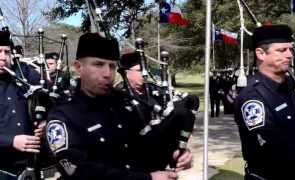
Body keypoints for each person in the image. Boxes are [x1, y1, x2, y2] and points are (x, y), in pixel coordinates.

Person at [45, 33, 189, 180]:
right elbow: (77, 171)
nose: (108, 74)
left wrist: (174, 154)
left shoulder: (126, 103)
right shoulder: (63, 115)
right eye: (98, 64)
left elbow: (145, 145)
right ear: (78, 67)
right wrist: (147, 178)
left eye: (112, 66)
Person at [234, 24, 295, 180]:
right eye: (282, 50)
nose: (289, 55)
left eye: (290, 49)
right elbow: (273, 148)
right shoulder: (252, 98)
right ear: (261, 53)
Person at [117, 51, 197, 172]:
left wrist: (179, 149)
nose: (145, 73)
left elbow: (188, 104)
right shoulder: (118, 97)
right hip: (136, 167)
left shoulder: (156, 90)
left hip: (163, 162)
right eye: (140, 70)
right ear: (126, 72)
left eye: (146, 69)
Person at [0, 30, 46, 178]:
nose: (3, 57)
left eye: (6, 52)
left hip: (32, 164)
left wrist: (46, 121)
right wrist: (11, 141)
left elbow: (50, 99)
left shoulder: (23, 74)